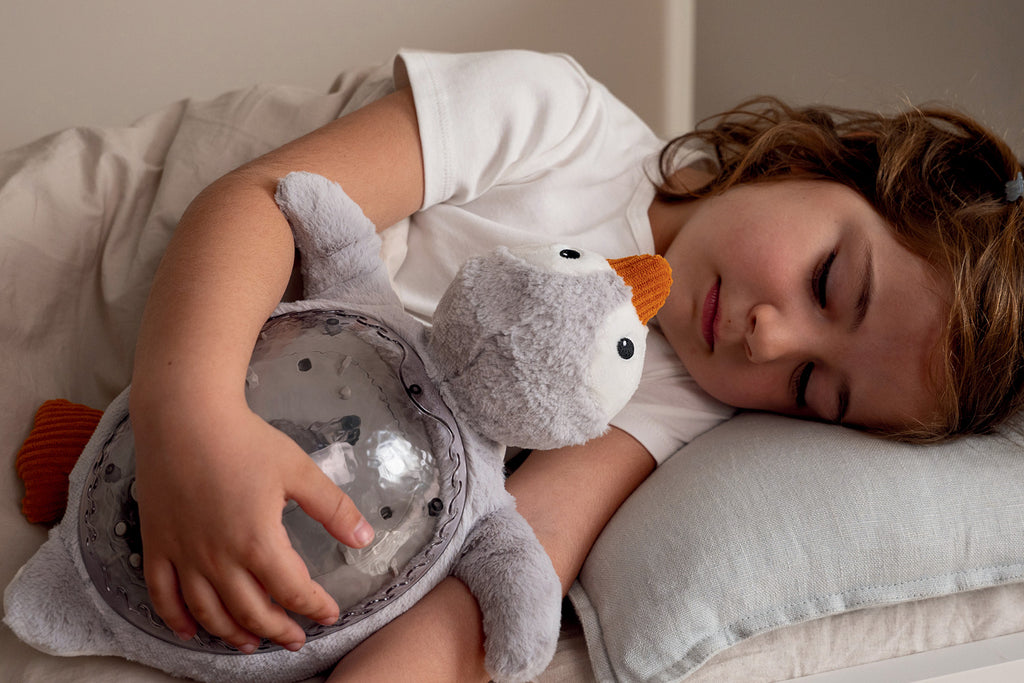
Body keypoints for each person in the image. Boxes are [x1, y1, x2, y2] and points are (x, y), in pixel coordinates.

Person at [126, 49, 1024, 681]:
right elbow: (265, 203)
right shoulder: (562, 121)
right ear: (822, 162)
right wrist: (189, 419)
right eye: (830, 281)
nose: (769, 338)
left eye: (814, 388)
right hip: (169, 314)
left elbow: (522, 551)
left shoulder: (677, 398)